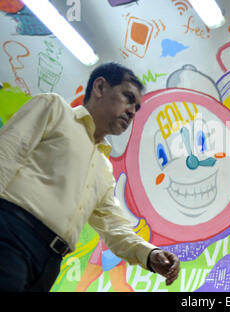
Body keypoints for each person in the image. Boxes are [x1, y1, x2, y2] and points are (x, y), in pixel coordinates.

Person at [0, 62, 180, 291]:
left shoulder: (104, 169)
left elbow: (114, 227)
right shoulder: (54, 109)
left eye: (136, 107)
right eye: (127, 97)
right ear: (100, 87)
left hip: (50, 263)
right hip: (11, 236)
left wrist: (149, 254)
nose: (132, 111)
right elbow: (5, 154)